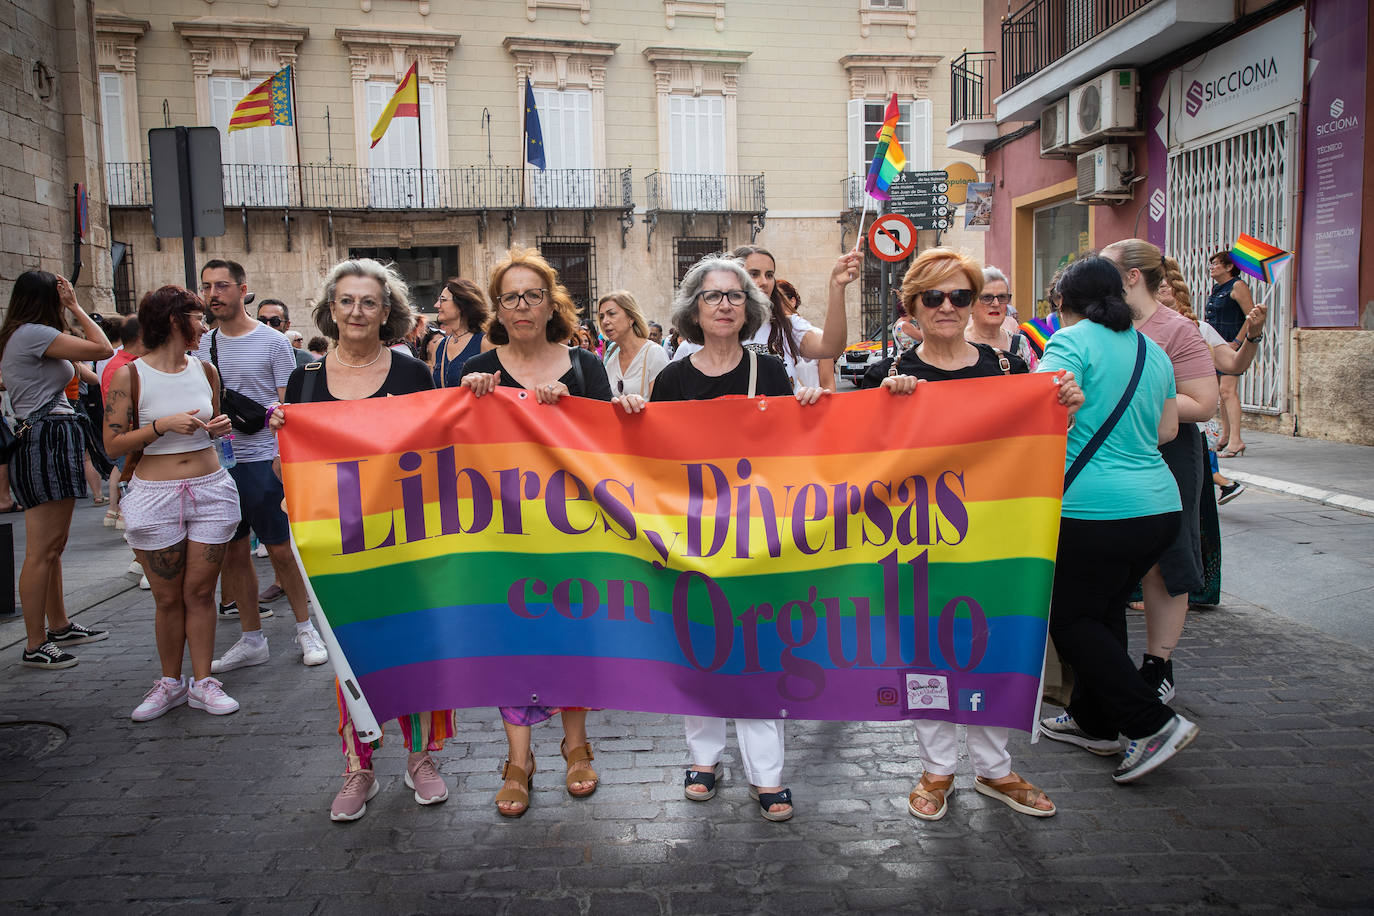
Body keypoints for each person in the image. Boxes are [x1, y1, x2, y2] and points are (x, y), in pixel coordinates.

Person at [857, 249, 1066, 818]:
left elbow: (1032, 445)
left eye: (961, 296)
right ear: (912, 306)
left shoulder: (1008, 371)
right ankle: (937, 767)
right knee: (925, 652)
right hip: (918, 543)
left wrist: (1061, 407)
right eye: (934, 297)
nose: (948, 307)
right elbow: (858, 461)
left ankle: (995, 768)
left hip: (994, 541)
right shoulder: (888, 376)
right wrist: (883, 409)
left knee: (993, 644)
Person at [652, 252, 856, 822]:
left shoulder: (769, 372)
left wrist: (809, 408)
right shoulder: (671, 378)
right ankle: (704, 759)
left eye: (734, 296)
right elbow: (652, 461)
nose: (724, 305)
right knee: (700, 651)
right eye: (713, 296)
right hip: (692, 540)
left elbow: (794, 453)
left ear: (750, 309)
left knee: (759, 653)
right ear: (695, 308)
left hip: (758, 541)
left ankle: (768, 775)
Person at [267, 258, 450, 821]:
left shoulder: (412, 375)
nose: (356, 311)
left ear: (387, 311)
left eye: (369, 302)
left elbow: (439, 451)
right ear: (331, 308)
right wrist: (287, 445)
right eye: (346, 301)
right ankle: (359, 765)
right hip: (334, 543)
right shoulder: (304, 380)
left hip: (404, 536)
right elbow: (285, 473)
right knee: (350, 649)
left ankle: (420, 758)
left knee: (413, 644)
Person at [459, 247, 615, 818]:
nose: (522, 306)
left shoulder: (585, 366)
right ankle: (517, 762)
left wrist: (575, 410)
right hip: (496, 535)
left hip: (574, 532)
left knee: (572, 638)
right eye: (510, 297)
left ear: (552, 304)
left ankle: (576, 746)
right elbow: (435, 452)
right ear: (497, 308)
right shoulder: (466, 371)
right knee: (510, 643)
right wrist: (466, 400)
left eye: (533, 295)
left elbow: (611, 448)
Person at [1036, 256, 1198, 783]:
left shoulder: (1071, 342)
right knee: (1103, 611)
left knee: (1070, 618)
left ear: (1063, 302)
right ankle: (1096, 722)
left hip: (1093, 509)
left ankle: (1151, 724)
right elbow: (1168, 429)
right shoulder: (1151, 350)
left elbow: (1037, 412)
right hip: (1158, 505)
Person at [104, 286, 241, 719]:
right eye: (197, 317)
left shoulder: (206, 370)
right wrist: (160, 425)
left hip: (210, 489)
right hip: (155, 494)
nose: (205, 325)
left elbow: (217, 424)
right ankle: (169, 682)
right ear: (172, 320)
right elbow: (112, 444)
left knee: (201, 593)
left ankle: (203, 682)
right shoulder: (132, 375)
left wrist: (218, 427)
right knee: (167, 599)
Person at [193, 259, 327, 671]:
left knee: (279, 548)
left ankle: (307, 629)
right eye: (206, 287)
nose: (213, 294)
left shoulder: (271, 342)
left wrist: (279, 457)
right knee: (234, 552)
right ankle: (252, 638)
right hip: (218, 463)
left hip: (261, 460)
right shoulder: (200, 345)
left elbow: (288, 405)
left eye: (222, 286)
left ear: (242, 289)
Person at [1102, 240, 1218, 704]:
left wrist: (1136, 405)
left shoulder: (1177, 330)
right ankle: (1107, 670)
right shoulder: (1104, 324)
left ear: (1132, 275)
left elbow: (1204, 402)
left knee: (1164, 560)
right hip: (1111, 453)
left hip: (1168, 452)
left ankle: (1158, 664)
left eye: (1106, 267)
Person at [0, 271, 114, 668]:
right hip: (45, 440)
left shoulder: (33, 335)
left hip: (53, 436)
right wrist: (77, 307)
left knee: (53, 547)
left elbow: (94, 374)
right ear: (51, 297)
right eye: (61, 294)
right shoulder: (32, 334)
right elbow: (102, 349)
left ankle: (59, 624)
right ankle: (35, 643)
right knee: (41, 550)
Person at [671, 245, 852, 388]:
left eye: (769, 275)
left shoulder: (786, 328)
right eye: (754, 274)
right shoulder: (691, 348)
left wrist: (837, 287)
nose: (763, 282)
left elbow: (830, 347)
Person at [1204, 252, 1256, 458]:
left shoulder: (1238, 286)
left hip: (1232, 345)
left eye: (1216, 264)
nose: (1212, 268)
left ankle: (1236, 440)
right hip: (1217, 346)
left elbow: (1251, 316)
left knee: (1228, 391)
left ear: (1228, 267)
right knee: (1221, 393)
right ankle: (1225, 437)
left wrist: (1237, 342)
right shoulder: (1217, 289)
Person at [100, 317, 145, 531]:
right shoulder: (123, 366)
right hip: (128, 435)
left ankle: (118, 513)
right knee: (127, 476)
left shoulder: (126, 363)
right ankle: (125, 518)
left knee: (122, 474)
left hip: (131, 434)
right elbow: (117, 407)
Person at [597, 290, 668, 399]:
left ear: (631, 317)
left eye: (611, 314)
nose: (605, 321)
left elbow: (661, 406)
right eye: (601, 317)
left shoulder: (654, 353)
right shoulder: (611, 359)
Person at [965, 266, 1036, 369]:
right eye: (987, 298)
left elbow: (1038, 380)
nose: (996, 303)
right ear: (971, 303)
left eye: (1002, 297)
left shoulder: (1020, 343)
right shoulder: (958, 344)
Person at [775, 279, 836, 391]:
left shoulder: (817, 337)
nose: (774, 305)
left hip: (811, 406)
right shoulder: (769, 339)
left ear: (792, 301)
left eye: (777, 299)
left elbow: (828, 385)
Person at [432, 277, 490, 388]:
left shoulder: (485, 342)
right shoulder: (439, 345)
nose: (437, 305)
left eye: (443, 300)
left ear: (461, 305)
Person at [256, 299, 311, 370]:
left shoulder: (304, 360)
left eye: (275, 321)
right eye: (262, 321)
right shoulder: (245, 356)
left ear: (287, 325)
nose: (267, 326)